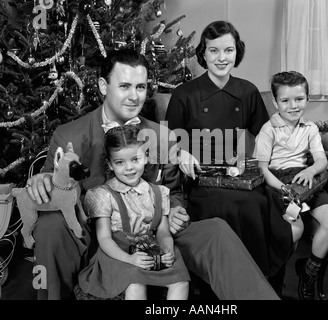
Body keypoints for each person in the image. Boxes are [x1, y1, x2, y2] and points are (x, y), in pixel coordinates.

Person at [24, 47, 279, 300]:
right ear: (103, 86)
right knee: (50, 226)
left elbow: (173, 190)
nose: (134, 96)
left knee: (216, 231)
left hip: (154, 234)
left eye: (141, 87)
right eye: (124, 86)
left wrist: (176, 210)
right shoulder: (68, 135)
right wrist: (42, 180)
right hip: (100, 239)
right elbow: (54, 184)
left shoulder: (162, 136)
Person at [165, 20, 292, 277]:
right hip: (200, 178)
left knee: (258, 201)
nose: (221, 58)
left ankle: (258, 278)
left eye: (228, 50)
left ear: (237, 52)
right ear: (203, 53)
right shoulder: (184, 94)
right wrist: (180, 153)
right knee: (231, 205)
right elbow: (165, 142)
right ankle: (227, 280)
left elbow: (267, 137)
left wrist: (253, 159)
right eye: (214, 50)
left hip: (236, 175)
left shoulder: (247, 91)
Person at [254, 71, 328, 300]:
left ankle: (308, 273)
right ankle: (275, 280)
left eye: (299, 99)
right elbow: (262, 169)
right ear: (275, 102)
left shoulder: (310, 128)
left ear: (307, 98)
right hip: (279, 184)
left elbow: (321, 160)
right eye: (285, 100)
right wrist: (284, 190)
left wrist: (311, 170)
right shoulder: (268, 130)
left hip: (306, 181)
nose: (293, 106)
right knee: (294, 230)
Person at [77, 125, 189, 300]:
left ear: (146, 157)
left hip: (150, 249)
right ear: (110, 164)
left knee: (180, 281)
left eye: (135, 159)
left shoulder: (158, 193)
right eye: (120, 162)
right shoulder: (103, 195)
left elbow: (163, 231)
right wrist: (129, 259)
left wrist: (167, 250)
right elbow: (104, 238)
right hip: (117, 254)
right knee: (135, 283)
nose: (129, 168)